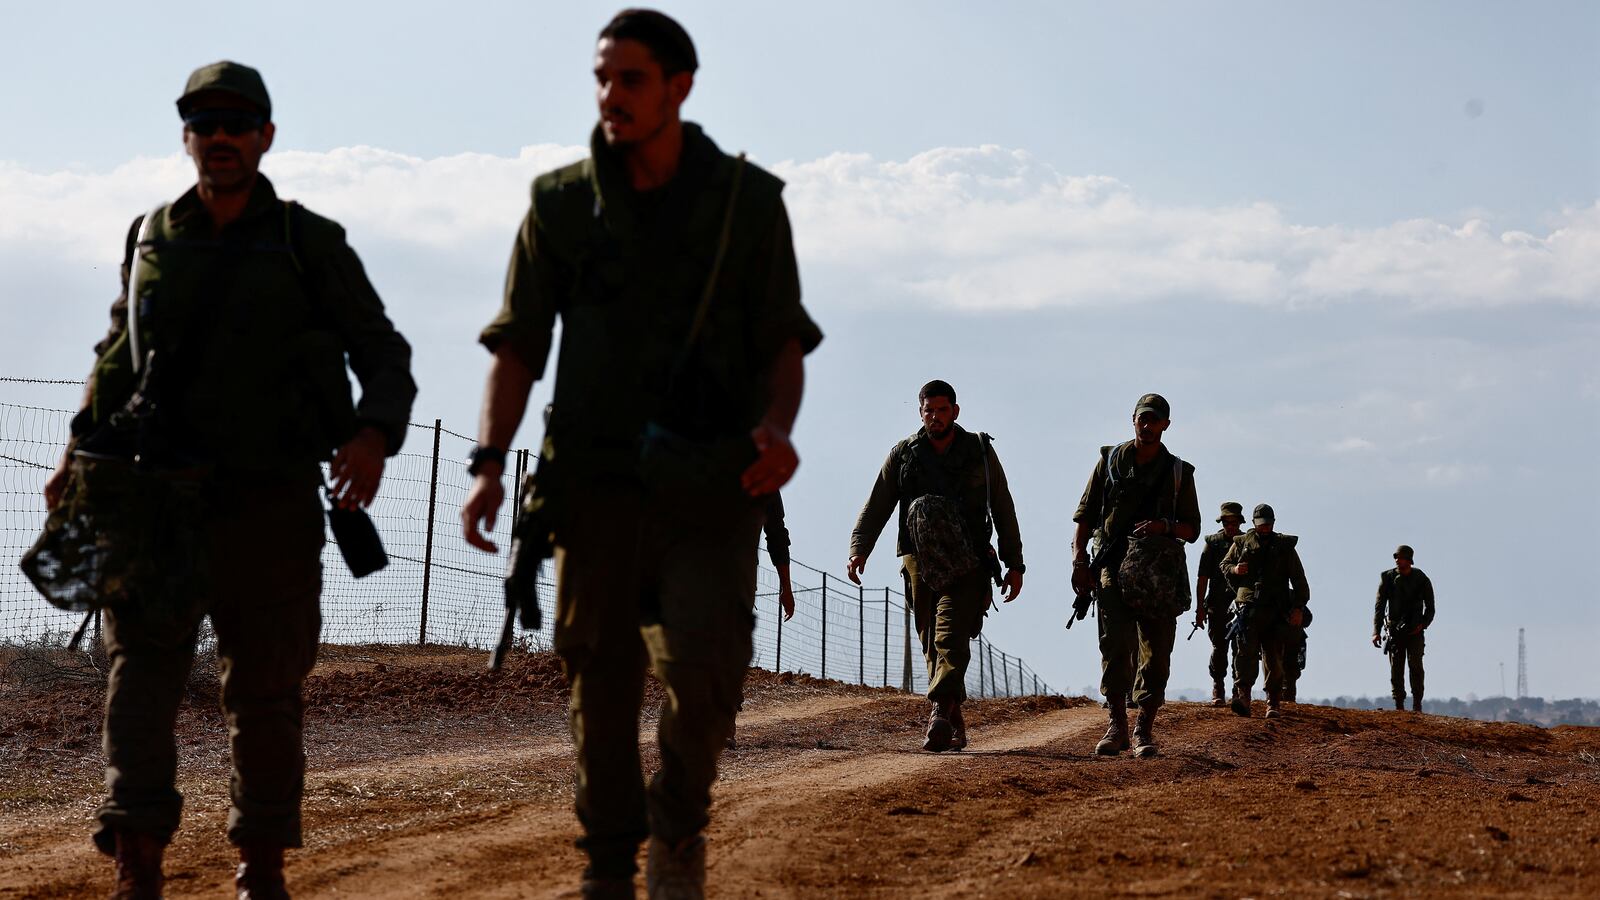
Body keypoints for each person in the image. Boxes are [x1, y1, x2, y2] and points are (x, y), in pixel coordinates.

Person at [459, 10, 822, 898]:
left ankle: (678, 825)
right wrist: (487, 463)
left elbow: (784, 343)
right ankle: (608, 868)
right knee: (602, 691)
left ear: (679, 87)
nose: (610, 96)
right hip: (595, 490)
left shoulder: (747, 204)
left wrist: (778, 429)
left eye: (630, 80)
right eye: (602, 79)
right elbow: (516, 348)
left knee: (704, 678)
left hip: (712, 486)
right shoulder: (558, 204)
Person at [40, 60, 416, 899]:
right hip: (155, 503)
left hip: (270, 506)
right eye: (204, 123)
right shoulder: (149, 237)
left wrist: (371, 437)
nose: (220, 137)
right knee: (138, 680)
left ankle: (261, 864)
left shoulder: (308, 242)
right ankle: (137, 860)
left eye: (237, 123)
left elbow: (383, 353)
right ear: (187, 137)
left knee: (267, 694)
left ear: (265, 137)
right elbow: (115, 359)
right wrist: (74, 450)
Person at [848, 380, 1024, 753]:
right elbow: (878, 503)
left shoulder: (978, 451)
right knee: (930, 640)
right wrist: (859, 549)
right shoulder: (905, 454)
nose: (935, 417)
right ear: (920, 413)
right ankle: (953, 719)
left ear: (955, 412)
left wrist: (1014, 562)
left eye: (942, 410)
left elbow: (1003, 507)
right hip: (918, 557)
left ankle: (939, 715)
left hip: (969, 558)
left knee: (951, 634)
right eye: (929, 411)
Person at [1070, 393, 1200, 757]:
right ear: (1133, 419)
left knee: (1157, 654)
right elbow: (1085, 515)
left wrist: (1163, 526)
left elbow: (1193, 529)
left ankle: (1144, 727)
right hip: (1112, 567)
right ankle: (1117, 726)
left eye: (1155, 420)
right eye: (1143, 418)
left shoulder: (1178, 473)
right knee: (1114, 645)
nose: (1147, 425)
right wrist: (1080, 560)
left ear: (1165, 425)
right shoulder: (1110, 462)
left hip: (1159, 574)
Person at [1219, 504, 1310, 719]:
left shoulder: (1285, 547)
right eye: (1261, 525)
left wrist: (1298, 608)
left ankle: (1273, 702)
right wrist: (1235, 569)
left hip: (1275, 610)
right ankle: (1243, 697)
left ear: (1273, 523)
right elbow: (1225, 565)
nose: (1265, 528)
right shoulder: (1241, 543)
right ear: (1253, 524)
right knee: (1245, 653)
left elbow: (1299, 580)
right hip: (1248, 609)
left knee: (1273, 657)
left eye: (1268, 524)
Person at [1194, 501, 1246, 707]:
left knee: (1240, 648)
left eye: (1234, 522)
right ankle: (1218, 685)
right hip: (1217, 603)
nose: (1230, 526)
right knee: (1219, 646)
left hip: (1241, 603)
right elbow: (1202, 578)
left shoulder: (1247, 542)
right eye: (1227, 522)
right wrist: (1200, 608)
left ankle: (1238, 689)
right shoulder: (1213, 544)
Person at [1373, 544, 1435, 712]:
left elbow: (1430, 608)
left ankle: (1417, 703)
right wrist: (1376, 632)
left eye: (1400, 557)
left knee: (1416, 665)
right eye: (1396, 558)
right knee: (1396, 668)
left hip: (1415, 631)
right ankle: (1399, 704)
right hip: (1394, 631)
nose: (1397, 561)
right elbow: (1380, 606)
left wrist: (1422, 625)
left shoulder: (1421, 579)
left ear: (1408, 560)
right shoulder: (1388, 578)